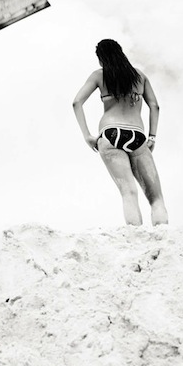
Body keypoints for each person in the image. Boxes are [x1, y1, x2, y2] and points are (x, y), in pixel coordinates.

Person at [72, 39, 168, 226]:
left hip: (110, 133)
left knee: (128, 192)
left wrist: (87, 136)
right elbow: (154, 106)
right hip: (137, 135)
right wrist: (152, 136)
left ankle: (135, 235)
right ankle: (163, 234)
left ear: (101, 58)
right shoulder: (140, 76)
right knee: (156, 198)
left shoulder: (99, 75)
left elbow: (77, 102)